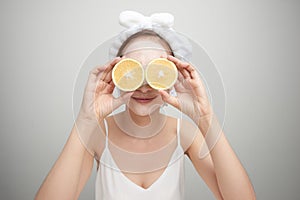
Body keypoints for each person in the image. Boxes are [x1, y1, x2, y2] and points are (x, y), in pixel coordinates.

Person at [35, 11, 256, 200]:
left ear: (173, 77)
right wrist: (85, 120)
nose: (144, 87)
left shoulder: (184, 133)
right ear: (115, 75)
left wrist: (205, 117)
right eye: (133, 72)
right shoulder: (97, 134)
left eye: (157, 72)